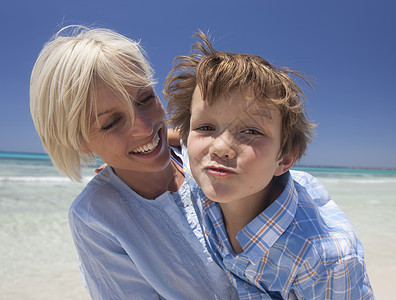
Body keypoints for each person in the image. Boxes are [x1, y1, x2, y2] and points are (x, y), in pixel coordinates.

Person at [29, 25, 238, 299]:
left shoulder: (206, 153)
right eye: (112, 122)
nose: (144, 127)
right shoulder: (96, 217)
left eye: (145, 98)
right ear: (80, 142)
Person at [165, 31, 375, 299]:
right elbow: (184, 138)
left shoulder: (323, 262)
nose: (219, 147)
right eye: (207, 127)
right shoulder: (207, 171)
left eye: (251, 131)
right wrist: (136, 155)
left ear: (284, 158)